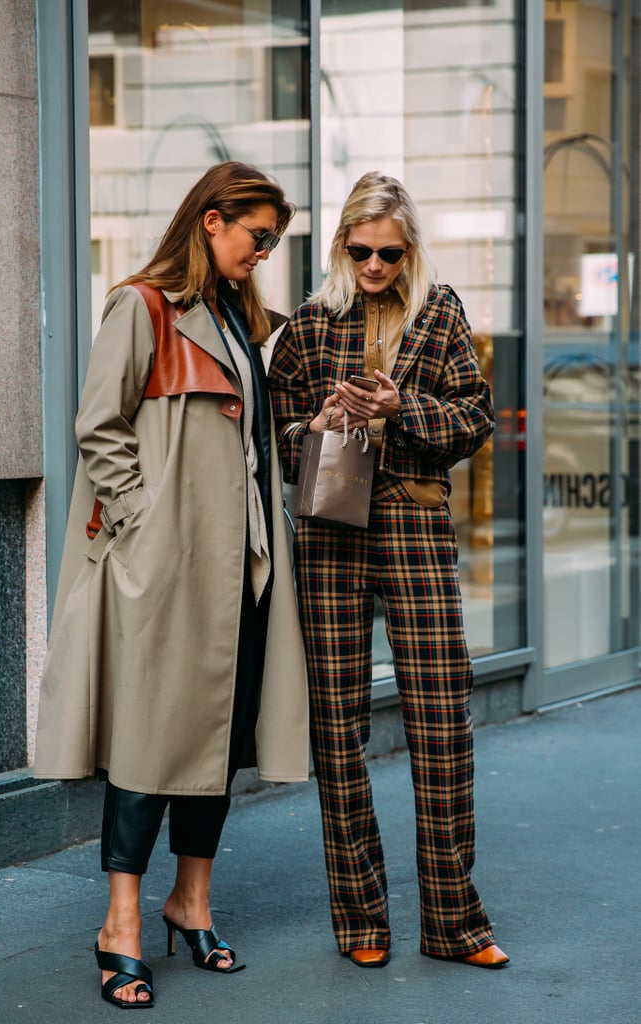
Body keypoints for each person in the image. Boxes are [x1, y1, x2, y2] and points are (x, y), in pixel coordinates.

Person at [35, 161, 309, 1008]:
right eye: (258, 236)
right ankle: (120, 921)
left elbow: (247, 446)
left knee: (218, 746)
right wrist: (141, 525)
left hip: (247, 571)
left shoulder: (239, 322)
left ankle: (190, 900)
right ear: (212, 221)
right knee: (152, 745)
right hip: (168, 568)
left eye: (274, 240)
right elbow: (99, 425)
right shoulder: (144, 306)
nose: (265, 252)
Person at [267, 171, 508, 970]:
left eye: (389, 253)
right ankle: (360, 918)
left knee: (441, 721)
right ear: (341, 244)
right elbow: (278, 436)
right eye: (361, 251)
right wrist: (323, 419)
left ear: (409, 250)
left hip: (412, 521)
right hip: (330, 532)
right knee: (337, 728)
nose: (374, 266)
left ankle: (453, 922)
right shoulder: (306, 324)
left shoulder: (438, 312)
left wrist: (401, 408)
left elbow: (474, 420)